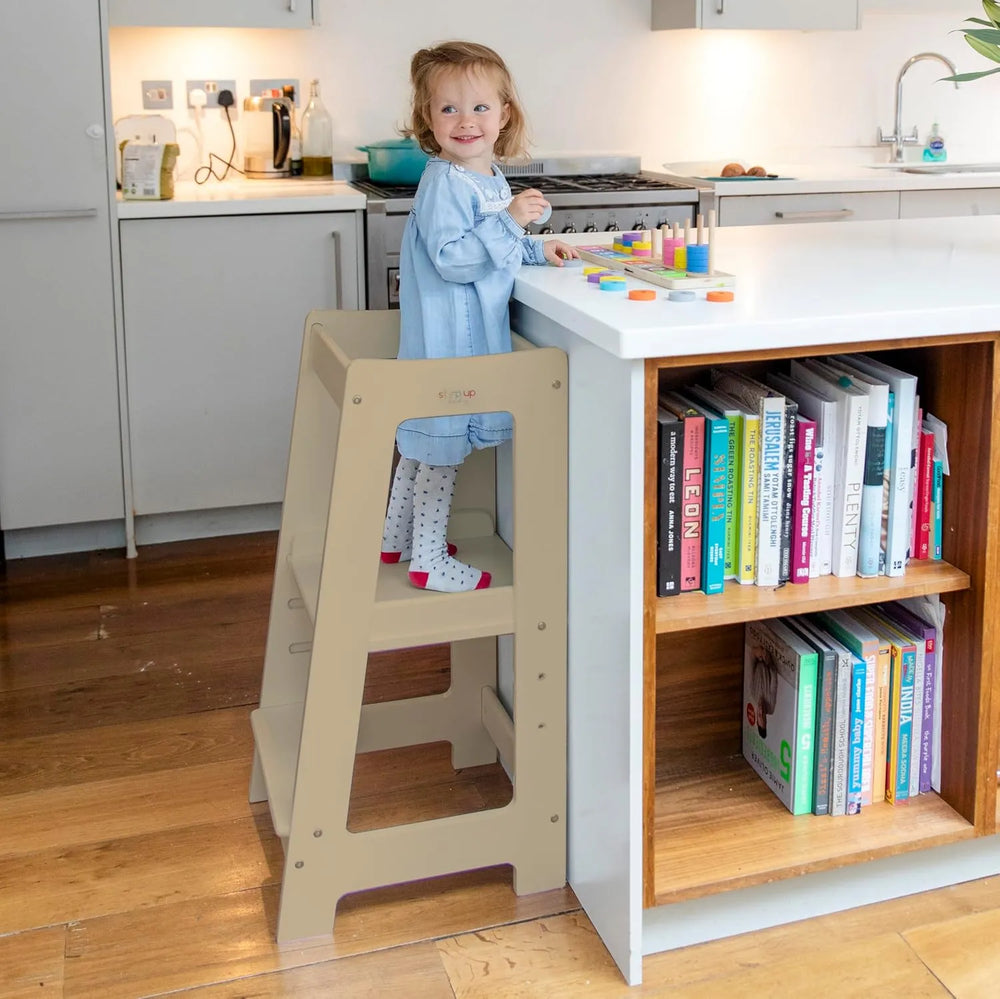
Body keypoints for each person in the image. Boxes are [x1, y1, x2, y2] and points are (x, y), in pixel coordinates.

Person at [380, 40, 578, 593]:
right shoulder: (444, 181)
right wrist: (513, 223)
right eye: (448, 109)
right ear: (428, 118)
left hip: (461, 336)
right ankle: (428, 561)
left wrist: (539, 249)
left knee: (423, 443)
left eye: (480, 108)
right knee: (439, 450)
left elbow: (495, 248)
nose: (466, 121)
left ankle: (396, 539)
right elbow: (454, 260)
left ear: (504, 114)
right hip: (448, 340)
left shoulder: (485, 177)